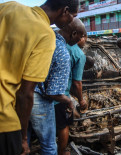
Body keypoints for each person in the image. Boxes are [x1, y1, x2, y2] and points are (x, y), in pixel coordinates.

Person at [0, 0, 79, 155]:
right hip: (4, 116)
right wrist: (22, 139)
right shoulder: (45, 34)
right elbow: (25, 93)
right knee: (49, 145)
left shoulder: (8, 6)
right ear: (65, 10)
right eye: (73, 16)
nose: (72, 21)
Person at [55, 18, 88, 155]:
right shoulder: (79, 54)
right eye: (83, 36)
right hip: (60, 95)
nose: (84, 39)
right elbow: (77, 82)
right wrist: (81, 100)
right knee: (64, 125)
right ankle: (62, 151)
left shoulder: (58, 44)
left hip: (48, 93)